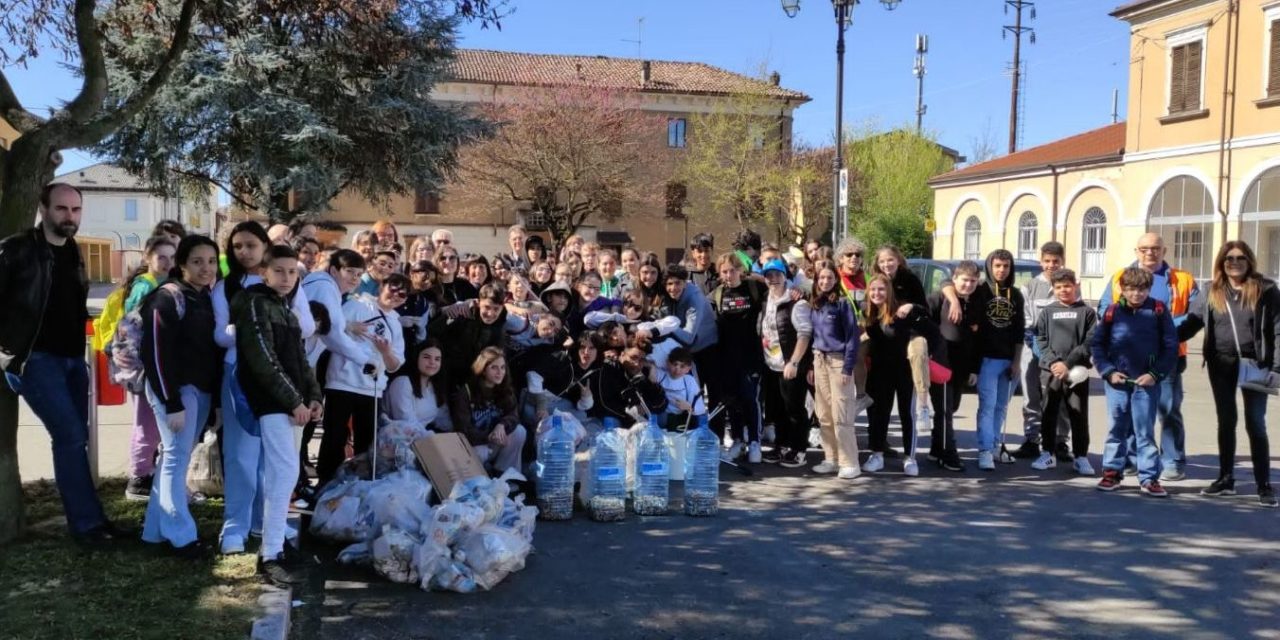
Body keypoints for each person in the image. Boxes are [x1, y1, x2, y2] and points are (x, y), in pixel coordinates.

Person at [0, 183, 132, 546]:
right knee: (70, 437)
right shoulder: (16, 250)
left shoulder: (73, 250)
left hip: (72, 359)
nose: (69, 217)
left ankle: (93, 520)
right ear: (43, 209)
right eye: (61, 209)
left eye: (75, 210)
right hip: (35, 361)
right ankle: (87, 526)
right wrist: (7, 351)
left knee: (78, 439)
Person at [214, 221, 315, 556]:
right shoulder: (232, 289)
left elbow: (304, 333)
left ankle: (267, 524)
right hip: (244, 379)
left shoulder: (284, 290)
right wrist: (249, 331)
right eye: (238, 246)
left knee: (273, 463)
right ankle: (237, 528)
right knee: (241, 456)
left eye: (252, 245)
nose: (245, 252)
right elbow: (223, 336)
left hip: (283, 383)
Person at [232, 244, 324, 585]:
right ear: (264, 273)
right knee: (284, 472)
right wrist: (293, 402)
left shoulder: (286, 310)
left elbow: (301, 361)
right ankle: (270, 554)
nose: (286, 278)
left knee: (281, 474)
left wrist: (313, 397)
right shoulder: (255, 304)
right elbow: (263, 361)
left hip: (292, 404)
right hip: (273, 402)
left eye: (292, 272)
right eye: (279, 271)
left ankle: (275, 546)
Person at [138, 235, 220, 557]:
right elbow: (155, 353)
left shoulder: (205, 297)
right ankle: (182, 537)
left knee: (174, 459)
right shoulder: (167, 298)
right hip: (175, 391)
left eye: (211, 261)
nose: (206, 268)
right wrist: (171, 402)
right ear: (182, 264)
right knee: (174, 458)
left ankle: (154, 533)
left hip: (198, 391)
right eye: (197, 262)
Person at [1097, 232, 1203, 481]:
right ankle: (1131, 459)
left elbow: (1197, 315)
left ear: (1164, 251)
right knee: (1128, 412)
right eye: (1144, 248)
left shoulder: (1183, 279)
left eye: (1155, 248)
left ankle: (1172, 461)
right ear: (1136, 251)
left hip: (1166, 358)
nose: (1150, 253)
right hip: (1126, 359)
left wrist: (1164, 332)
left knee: (1168, 410)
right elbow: (1104, 309)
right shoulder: (1119, 277)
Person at [1200, 242, 1279, 507]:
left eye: (1240, 258)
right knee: (1226, 421)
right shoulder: (1211, 290)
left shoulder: (1266, 289)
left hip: (1256, 364)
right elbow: (1192, 321)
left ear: (1249, 261)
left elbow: (1278, 329)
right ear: (1221, 262)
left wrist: (1277, 368)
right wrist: (1160, 336)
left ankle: (1263, 485)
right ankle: (1226, 479)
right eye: (1229, 258)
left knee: (1255, 423)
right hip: (1221, 363)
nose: (1234, 262)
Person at [1091, 267, 1177, 497]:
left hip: (1146, 383)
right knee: (1116, 429)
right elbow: (1097, 345)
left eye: (1141, 289)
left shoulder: (1158, 311)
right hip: (1117, 382)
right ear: (1122, 289)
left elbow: (1170, 347)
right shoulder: (1112, 312)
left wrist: (1154, 374)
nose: (1136, 294)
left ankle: (1149, 478)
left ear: (1149, 289)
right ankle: (1112, 473)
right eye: (1130, 289)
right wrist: (1108, 371)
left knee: (1144, 431)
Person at [316, 275, 408, 484]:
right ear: (382, 286)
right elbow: (331, 329)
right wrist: (349, 326)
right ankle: (325, 482)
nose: (396, 296)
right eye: (393, 289)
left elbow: (394, 365)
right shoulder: (357, 305)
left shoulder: (396, 323)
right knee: (334, 436)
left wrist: (385, 352)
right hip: (342, 382)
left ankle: (358, 485)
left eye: (402, 294)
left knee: (366, 441)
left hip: (371, 388)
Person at [862, 274, 936, 477]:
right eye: (873, 289)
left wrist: (913, 306)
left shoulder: (901, 311)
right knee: (879, 414)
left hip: (904, 370)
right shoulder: (868, 311)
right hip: (879, 370)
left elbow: (930, 327)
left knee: (907, 415)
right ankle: (877, 454)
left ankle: (910, 458)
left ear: (889, 291)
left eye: (881, 289)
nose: (877, 293)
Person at [121, 235, 177, 501]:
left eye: (172, 257)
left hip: (150, 363)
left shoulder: (163, 283)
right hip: (143, 366)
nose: (167, 263)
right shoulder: (145, 286)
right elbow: (134, 325)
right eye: (161, 257)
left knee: (151, 422)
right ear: (147, 258)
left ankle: (145, 470)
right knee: (146, 423)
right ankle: (139, 476)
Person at [1030, 268, 1097, 475]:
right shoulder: (1047, 312)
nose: (1063, 290)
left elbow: (1089, 342)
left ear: (1075, 286)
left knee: (1078, 414)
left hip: (1076, 372)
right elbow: (1040, 339)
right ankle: (1047, 453)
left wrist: (1067, 364)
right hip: (1051, 371)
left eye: (1067, 286)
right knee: (1049, 412)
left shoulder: (1087, 312)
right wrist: (1053, 362)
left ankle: (1081, 457)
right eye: (1058, 287)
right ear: (1053, 288)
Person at [1014, 241, 1071, 461]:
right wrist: (1039, 348)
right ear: (1041, 261)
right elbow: (1026, 320)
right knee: (1031, 395)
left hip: (1061, 351)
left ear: (1062, 261)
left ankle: (1060, 441)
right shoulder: (1029, 286)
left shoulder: (1069, 285)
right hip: (1033, 347)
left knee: (1060, 396)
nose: (1051, 265)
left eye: (1056, 261)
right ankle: (1031, 439)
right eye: (1047, 261)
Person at [708, 253, 766, 463]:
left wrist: (757, 277)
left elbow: (777, 285)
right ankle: (738, 440)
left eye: (732, 270)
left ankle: (755, 442)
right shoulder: (717, 294)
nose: (729, 275)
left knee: (751, 399)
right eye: (724, 271)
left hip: (751, 355)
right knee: (732, 401)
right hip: (726, 357)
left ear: (741, 270)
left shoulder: (754, 288)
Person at [972, 249, 1026, 471]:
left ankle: (995, 445)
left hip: (1009, 360)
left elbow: (1019, 331)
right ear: (989, 266)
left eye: (1006, 266)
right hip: (987, 359)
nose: (1001, 270)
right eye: (997, 266)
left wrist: (1016, 362)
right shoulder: (980, 290)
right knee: (987, 406)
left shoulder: (1016, 294)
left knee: (1001, 407)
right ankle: (984, 450)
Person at [926, 261, 982, 472]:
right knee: (944, 410)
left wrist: (974, 369)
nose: (968, 285)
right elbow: (923, 324)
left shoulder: (977, 301)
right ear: (955, 279)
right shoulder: (939, 298)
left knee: (951, 408)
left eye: (973, 281)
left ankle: (936, 448)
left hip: (962, 367)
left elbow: (978, 340)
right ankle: (948, 454)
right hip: (940, 365)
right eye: (964, 280)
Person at [807, 263, 861, 480]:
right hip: (819, 360)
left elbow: (853, 338)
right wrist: (811, 365)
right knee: (824, 414)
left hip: (838, 362)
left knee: (841, 413)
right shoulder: (816, 304)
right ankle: (831, 458)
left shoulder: (842, 304)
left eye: (829, 278)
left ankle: (850, 462)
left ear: (836, 280)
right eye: (821, 278)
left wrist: (848, 367)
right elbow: (813, 336)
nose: (825, 282)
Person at [758, 258, 812, 467]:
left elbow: (804, 334)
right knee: (777, 409)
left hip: (790, 364)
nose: (773, 279)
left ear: (785, 276)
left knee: (795, 409)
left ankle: (799, 450)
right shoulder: (766, 299)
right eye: (768, 275)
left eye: (777, 274)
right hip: (771, 364)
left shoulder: (796, 302)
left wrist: (794, 362)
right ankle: (781, 445)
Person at [450, 347, 527, 473]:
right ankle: (479, 477)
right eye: (494, 368)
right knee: (480, 452)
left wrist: (502, 425)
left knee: (519, 431)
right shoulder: (466, 392)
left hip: (495, 442)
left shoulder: (505, 389)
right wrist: (489, 437)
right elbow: (463, 429)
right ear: (483, 370)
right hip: (475, 445)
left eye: (502, 367)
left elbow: (513, 415)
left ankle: (503, 473)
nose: (500, 372)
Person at [383, 339, 453, 432]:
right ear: (416, 358)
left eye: (437, 359)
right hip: (398, 436)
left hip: (423, 436)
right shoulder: (402, 383)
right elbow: (406, 422)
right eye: (426, 357)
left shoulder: (434, 386)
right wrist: (429, 436)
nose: (432, 362)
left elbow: (443, 419)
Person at [653, 346, 706, 428]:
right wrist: (651, 366)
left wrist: (689, 407)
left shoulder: (689, 381)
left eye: (682, 366)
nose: (677, 369)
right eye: (675, 364)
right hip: (662, 417)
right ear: (668, 363)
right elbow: (648, 365)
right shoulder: (661, 375)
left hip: (681, 419)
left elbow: (701, 409)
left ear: (688, 369)